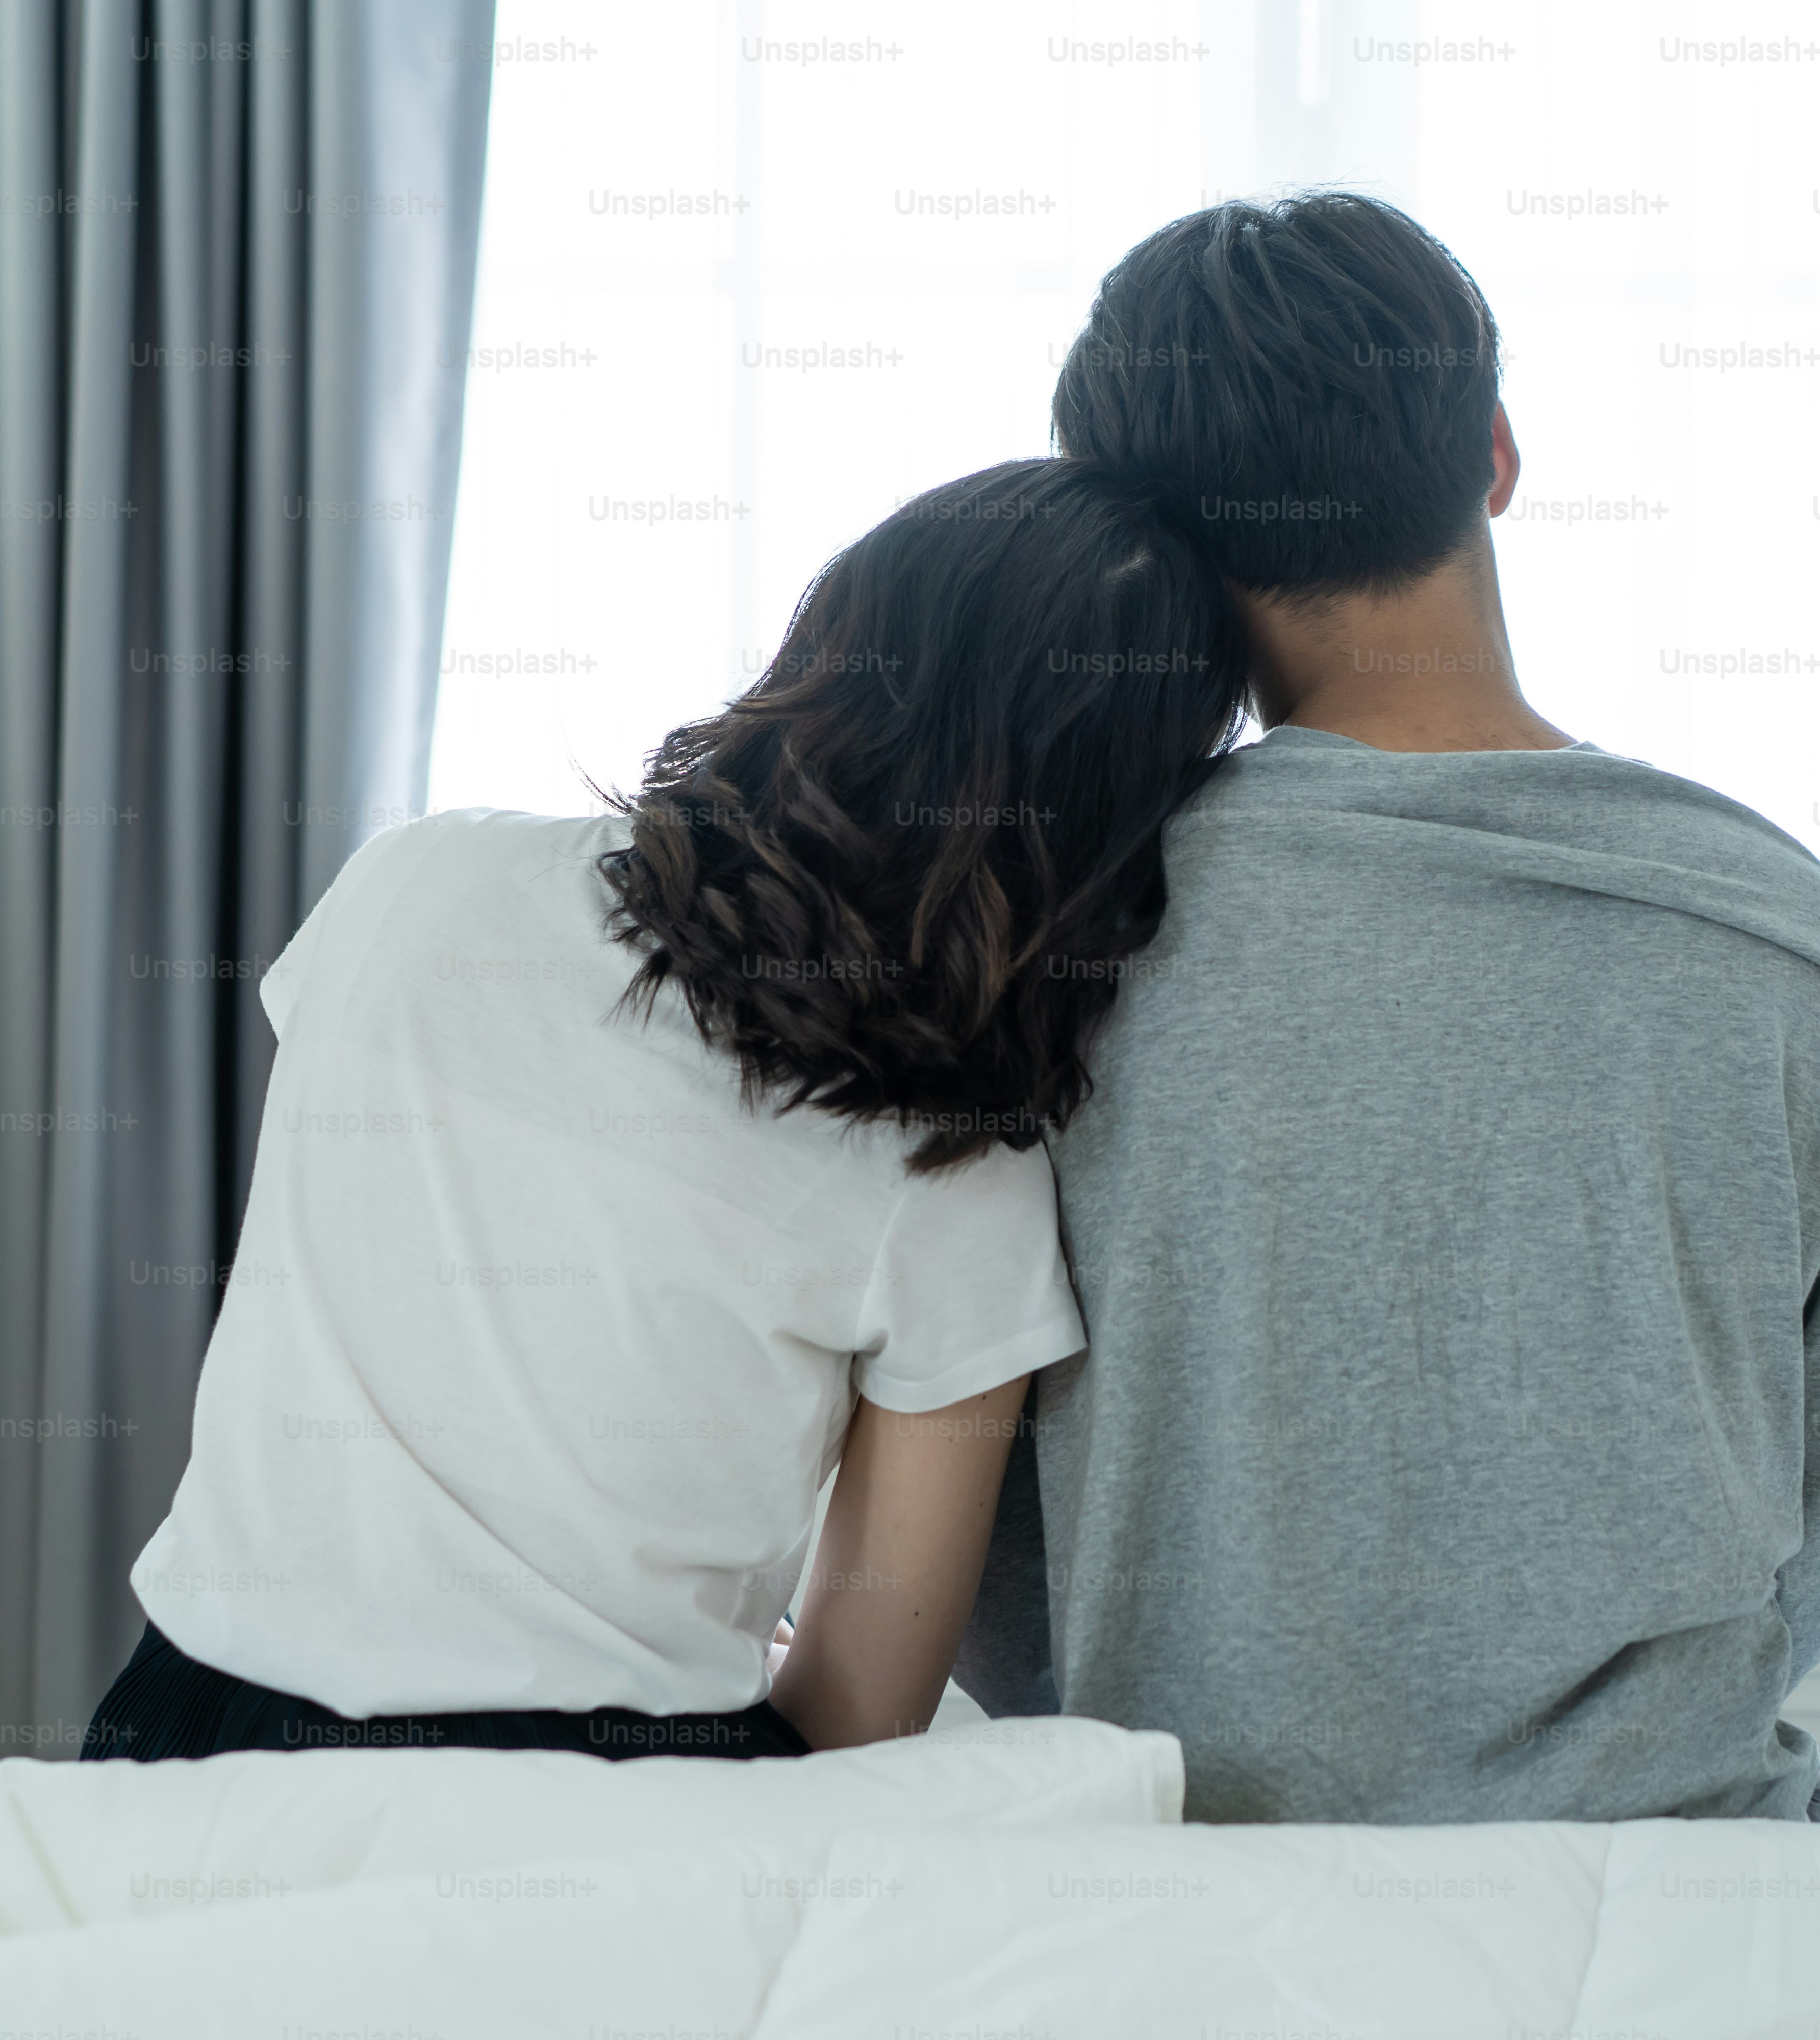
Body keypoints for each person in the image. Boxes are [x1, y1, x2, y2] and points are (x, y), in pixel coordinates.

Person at [953, 195, 1820, 1826]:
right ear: (1493, 455)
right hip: (1685, 1886)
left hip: (1183, 1884)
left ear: (1153, 541)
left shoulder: (1057, 935)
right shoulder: (1796, 943)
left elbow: (980, 1525)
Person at [85, 458, 1248, 1763]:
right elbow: (862, 1707)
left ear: (833, 635)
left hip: (186, 1727)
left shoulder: (412, 884)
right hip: (608, 1809)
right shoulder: (954, 1167)